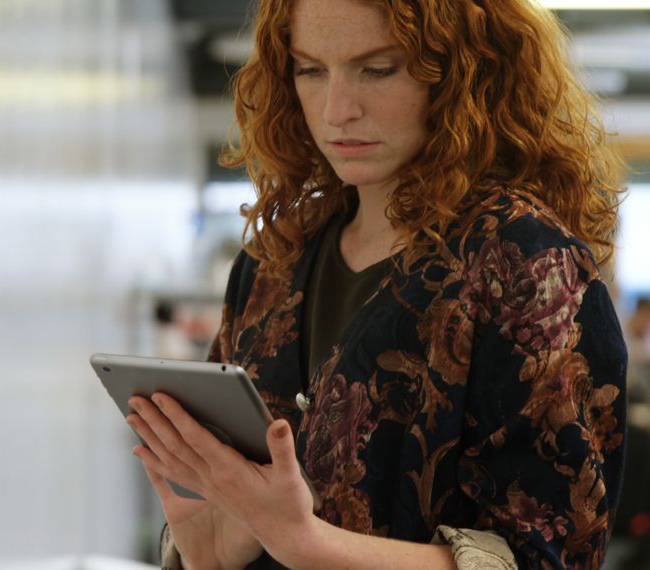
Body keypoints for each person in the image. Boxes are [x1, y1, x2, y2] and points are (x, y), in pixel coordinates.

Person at [124, 0, 628, 568]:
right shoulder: (273, 259)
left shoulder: (527, 264)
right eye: (310, 70)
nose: (338, 110)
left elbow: (549, 557)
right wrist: (211, 553)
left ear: (464, 73)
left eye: (379, 69)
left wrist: (308, 545)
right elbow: (236, 506)